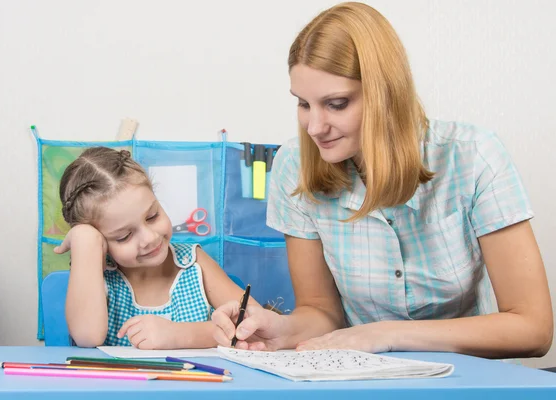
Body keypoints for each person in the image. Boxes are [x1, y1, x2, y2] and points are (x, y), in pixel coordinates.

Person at [212, 2, 553, 359]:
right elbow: (320, 311)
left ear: (385, 95)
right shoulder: (292, 166)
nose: (314, 127)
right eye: (303, 104)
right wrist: (277, 328)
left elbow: (533, 328)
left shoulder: (473, 156)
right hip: (361, 377)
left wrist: (386, 334)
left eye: (337, 103)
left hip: (464, 377)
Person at [54, 147, 254, 349]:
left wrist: (180, 335)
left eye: (152, 216)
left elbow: (257, 325)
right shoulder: (98, 279)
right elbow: (87, 337)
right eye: (124, 236)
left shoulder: (194, 263)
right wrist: (85, 239)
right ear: (102, 243)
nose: (149, 238)